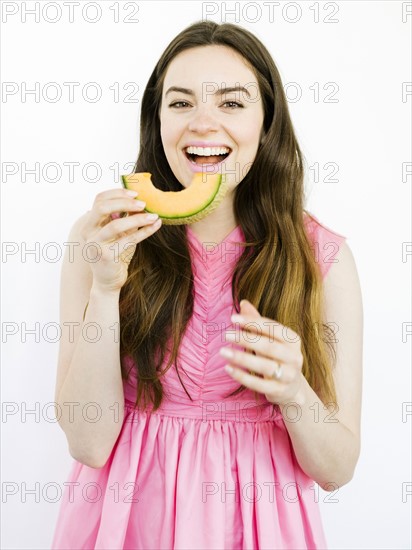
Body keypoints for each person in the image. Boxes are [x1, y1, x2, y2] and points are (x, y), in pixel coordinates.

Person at [51, 20, 363, 550]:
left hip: (259, 527)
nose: (203, 123)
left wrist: (293, 391)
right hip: (128, 524)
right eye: (180, 103)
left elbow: (337, 468)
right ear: (157, 121)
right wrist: (105, 291)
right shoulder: (102, 237)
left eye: (232, 103)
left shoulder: (323, 258)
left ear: (268, 123)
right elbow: (88, 443)